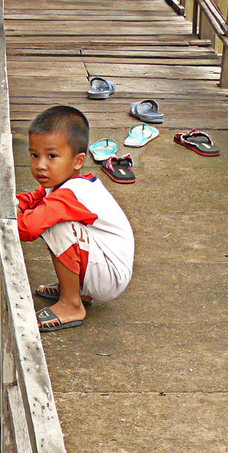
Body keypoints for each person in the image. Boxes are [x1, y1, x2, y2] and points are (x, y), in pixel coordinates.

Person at [18, 104, 135, 333]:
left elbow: (29, 228)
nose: (40, 165)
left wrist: (5, 220)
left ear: (78, 161)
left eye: (52, 156)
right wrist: (13, 204)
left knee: (56, 224)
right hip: (101, 264)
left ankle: (72, 304)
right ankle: (74, 289)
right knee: (47, 213)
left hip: (110, 276)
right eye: (34, 155)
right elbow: (34, 197)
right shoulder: (63, 184)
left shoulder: (72, 194)